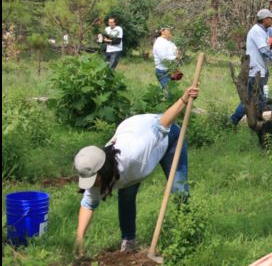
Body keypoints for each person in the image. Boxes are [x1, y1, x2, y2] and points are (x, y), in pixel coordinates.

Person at [73, 85, 199, 254]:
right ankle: (129, 240)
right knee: (126, 196)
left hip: (167, 138)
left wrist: (184, 99)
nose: (91, 184)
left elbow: (162, 125)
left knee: (179, 190)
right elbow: (88, 204)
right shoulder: (96, 171)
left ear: (102, 172)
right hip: (132, 131)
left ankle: (188, 235)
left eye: (92, 180)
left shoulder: (133, 154)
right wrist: (79, 239)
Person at [152, 26, 179, 96]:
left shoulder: (168, 42)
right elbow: (164, 59)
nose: (170, 31)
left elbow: (175, 50)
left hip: (170, 70)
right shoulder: (160, 43)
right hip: (163, 72)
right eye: (168, 29)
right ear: (162, 31)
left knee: (174, 92)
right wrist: (175, 57)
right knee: (169, 94)